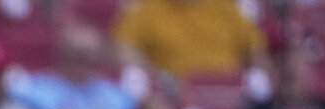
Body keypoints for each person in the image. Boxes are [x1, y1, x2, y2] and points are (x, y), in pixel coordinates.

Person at [11, 24, 169, 109]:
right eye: (78, 55)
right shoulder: (36, 90)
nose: (85, 63)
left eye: (91, 57)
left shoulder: (113, 93)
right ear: (64, 55)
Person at [112, 0, 269, 81]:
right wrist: (157, 79)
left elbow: (256, 51)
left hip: (230, 91)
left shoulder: (225, 6)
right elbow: (124, 50)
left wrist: (259, 81)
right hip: (179, 94)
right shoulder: (147, 8)